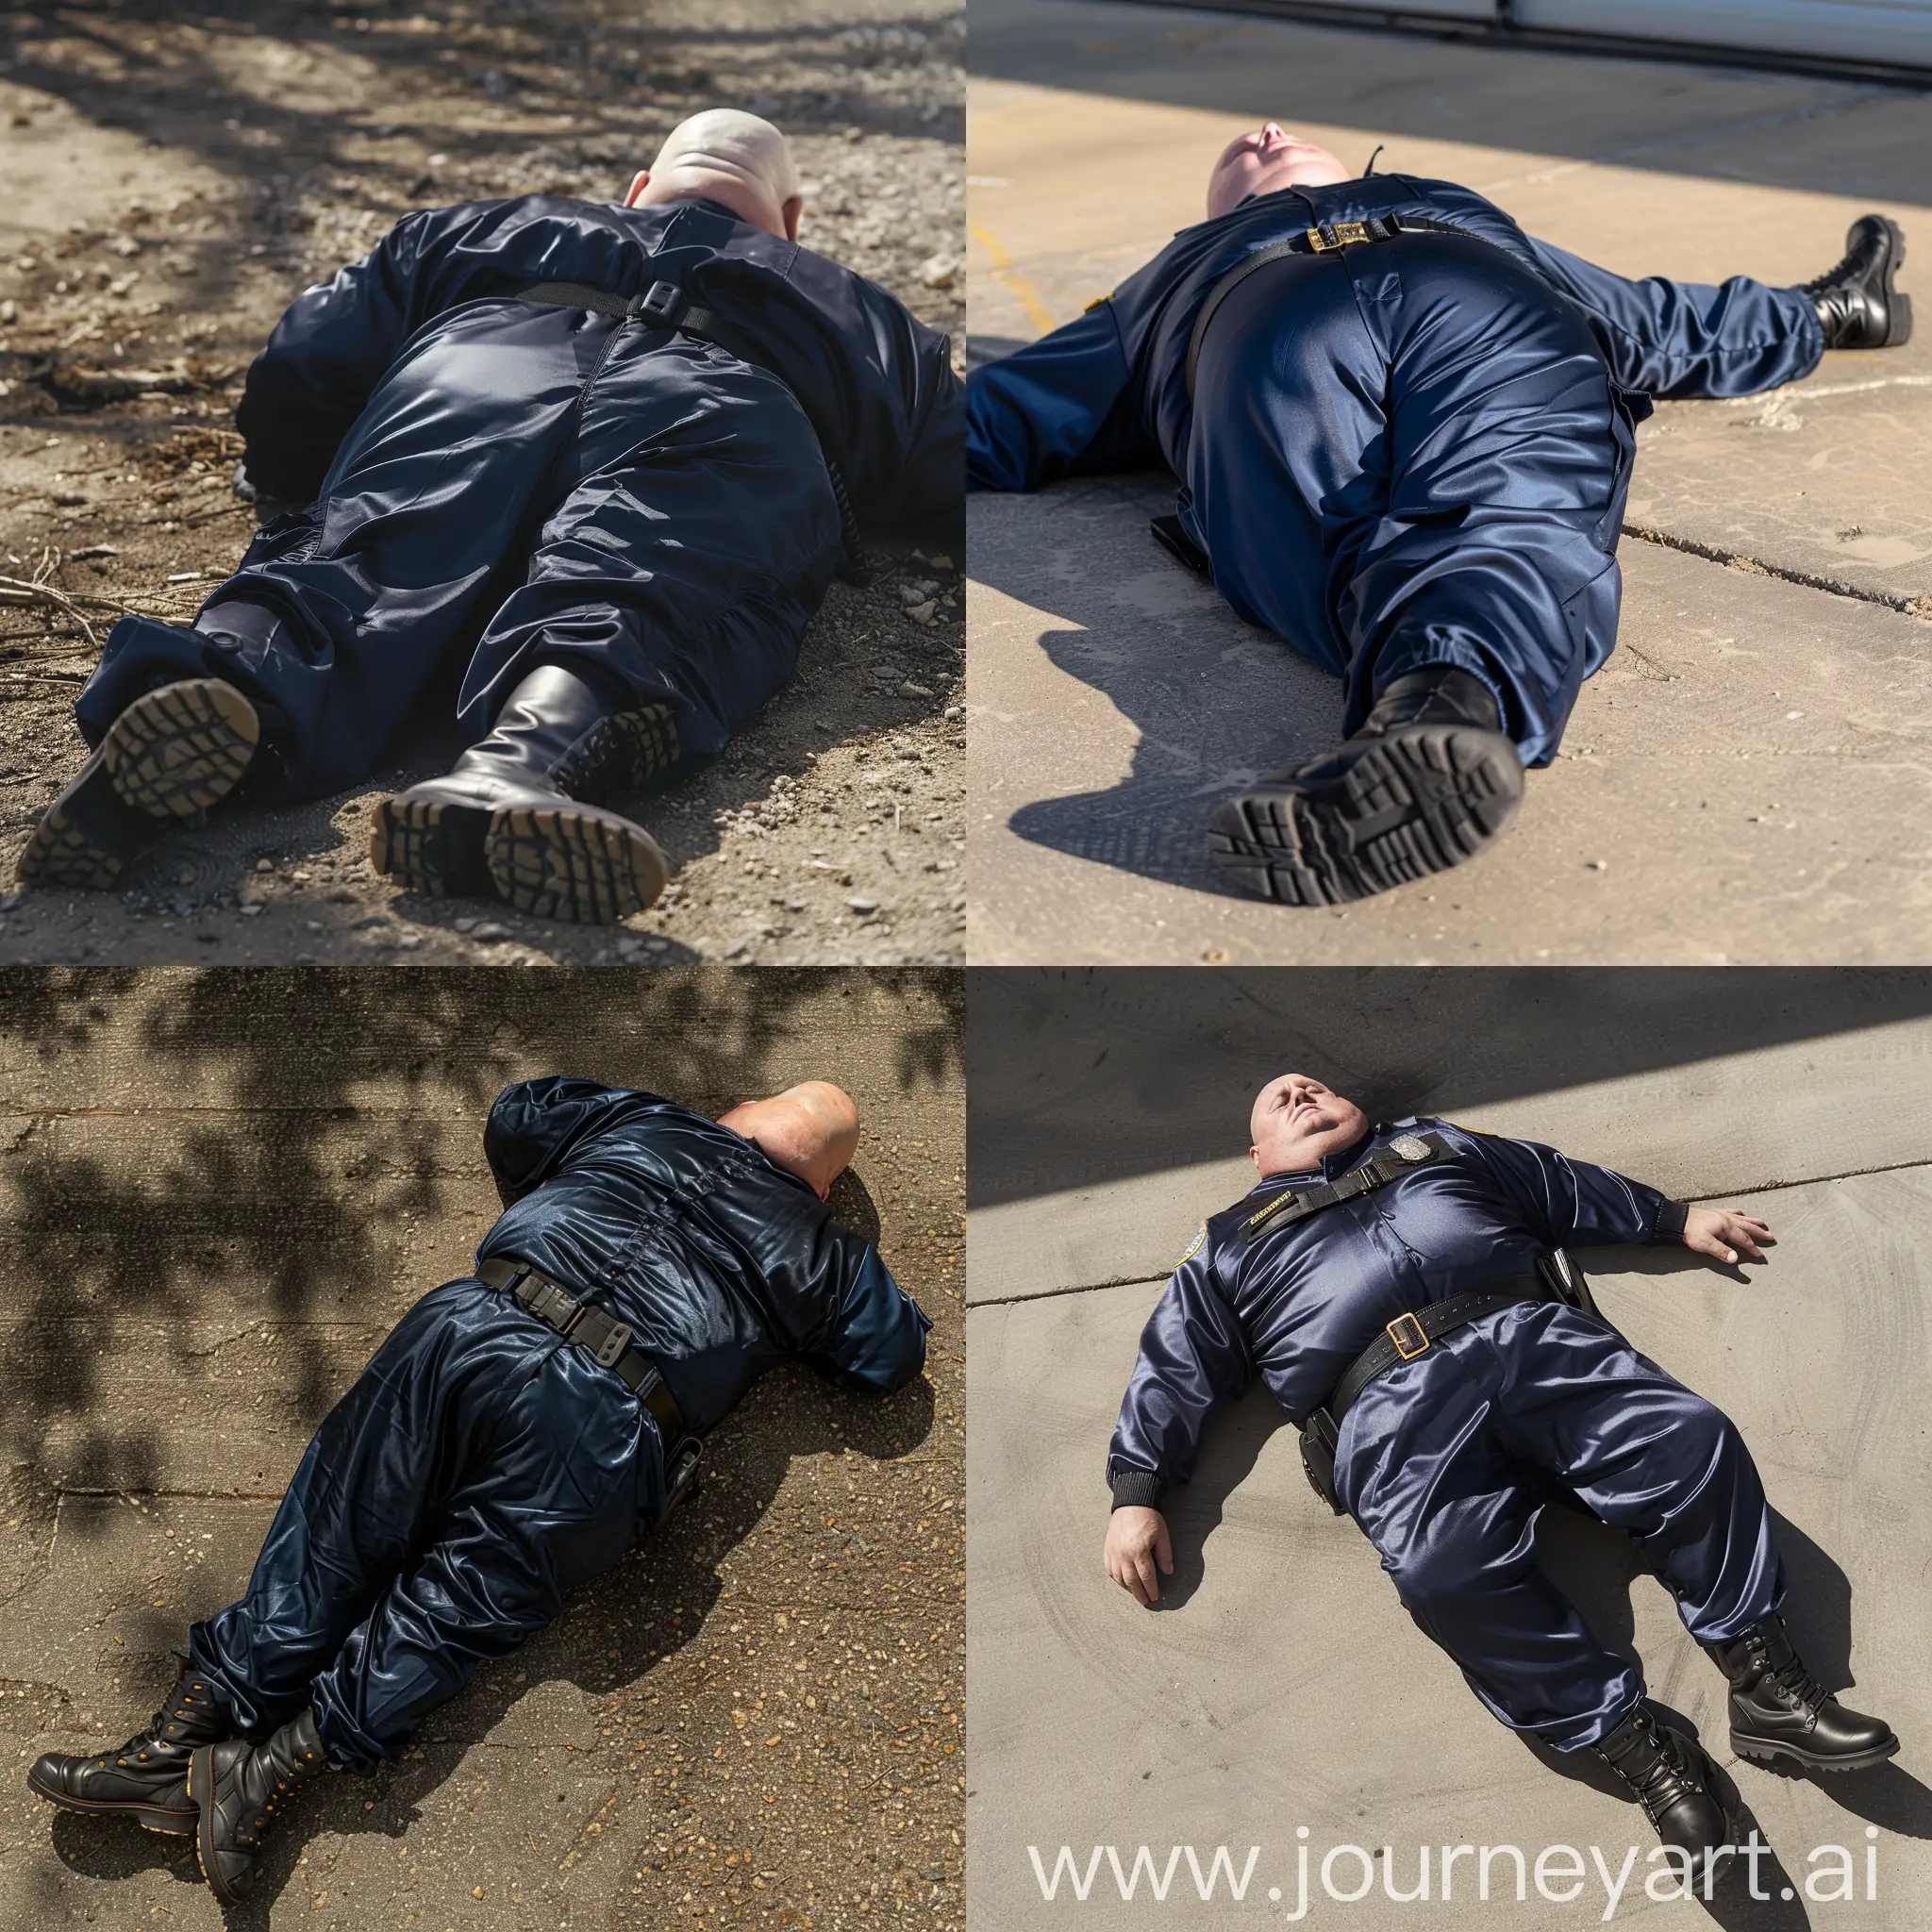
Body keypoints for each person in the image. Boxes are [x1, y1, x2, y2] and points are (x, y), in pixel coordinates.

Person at [22, 109, 961, 924]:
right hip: (723, 399)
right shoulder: (858, 308)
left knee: (354, 557)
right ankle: (519, 761)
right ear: (790, 224)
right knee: (645, 578)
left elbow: (308, 357)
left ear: (636, 189)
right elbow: (959, 465)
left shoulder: (488, 223)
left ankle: (223, 689)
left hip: (479, 367)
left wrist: (302, 481)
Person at [27, 1074, 931, 1904]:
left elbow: (516, 1114)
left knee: (340, 1526)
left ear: (739, 1116)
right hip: (614, 1425)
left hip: (482, 1325)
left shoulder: (647, 1122)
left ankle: (182, 1742)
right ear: (819, 1186)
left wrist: (611, 1132)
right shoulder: (823, 1252)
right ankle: (257, 1773)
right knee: (451, 1606)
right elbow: (891, 1358)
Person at [967, 125, 1910, 907]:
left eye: (1276, 133)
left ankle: (1429, 726)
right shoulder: (1160, 282)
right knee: (1409, 528)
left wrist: (1826, 310)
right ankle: (1432, 712)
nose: (1258, 131)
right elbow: (998, 415)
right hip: (1262, 336)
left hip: (1476, 300)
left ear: (1349, 167)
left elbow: (1660, 322)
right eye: (1234, 152)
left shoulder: (1451, 205)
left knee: (1505, 495)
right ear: (1213, 209)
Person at [1103, 1073, 1896, 1863]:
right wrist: (1138, 1491)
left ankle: (1770, 1689)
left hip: (1531, 1339)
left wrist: (1671, 1218)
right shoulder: (1231, 1241)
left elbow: (1554, 1181)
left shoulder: (1436, 1144)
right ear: (1257, 1155)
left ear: (1360, 1111)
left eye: (1314, 1088)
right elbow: (1176, 1367)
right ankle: (1644, 1755)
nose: (1302, 1097)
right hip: (1388, 1411)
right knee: (1441, 1575)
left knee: (1688, 1439)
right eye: (1280, 1102)